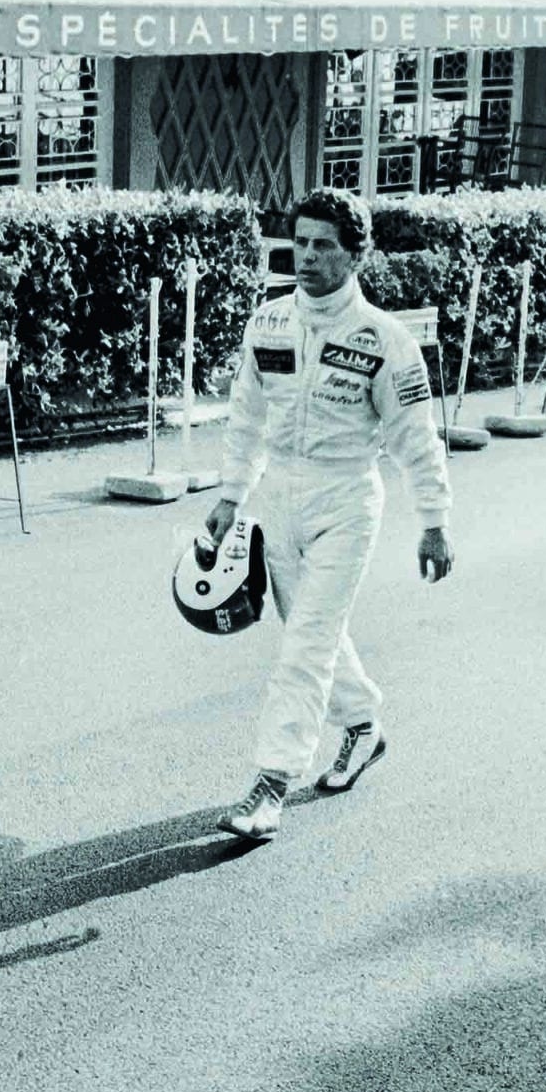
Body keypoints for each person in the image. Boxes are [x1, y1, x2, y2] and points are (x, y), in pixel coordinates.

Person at [206, 190, 454, 842]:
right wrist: (230, 497)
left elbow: (416, 436)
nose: (307, 256)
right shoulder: (268, 323)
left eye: (323, 245)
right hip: (279, 498)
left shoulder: (385, 341)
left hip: (346, 500)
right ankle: (364, 724)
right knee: (314, 633)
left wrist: (433, 518)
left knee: (304, 646)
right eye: (300, 241)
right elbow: (245, 419)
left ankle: (271, 782)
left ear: (355, 254)